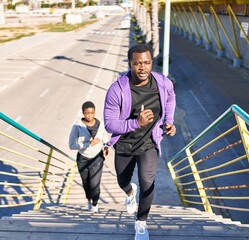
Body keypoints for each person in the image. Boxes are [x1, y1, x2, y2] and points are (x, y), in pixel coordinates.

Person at [103, 44, 176, 240]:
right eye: (137, 63)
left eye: (146, 63)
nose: (142, 67)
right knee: (123, 180)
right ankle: (129, 192)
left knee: (147, 181)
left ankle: (141, 222)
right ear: (130, 64)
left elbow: (170, 99)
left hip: (149, 143)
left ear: (152, 63)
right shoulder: (117, 89)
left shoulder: (162, 83)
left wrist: (169, 122)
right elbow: (110, 125)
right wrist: (136, 123)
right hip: (125, 144)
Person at [69, 101, 109, 213]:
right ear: (83, 113)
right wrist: (88, 144)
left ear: (94, 112)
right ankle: (89, 198)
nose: (89, 115)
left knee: (95, 184)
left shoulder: (100, 125)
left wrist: (106, 146)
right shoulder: (77, 126)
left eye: (92, 113)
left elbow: (105, 137)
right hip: (82, 158)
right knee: (86, 184)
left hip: (97, 158)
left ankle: (95, 204)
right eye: (87, 113)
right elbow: (71, 145)